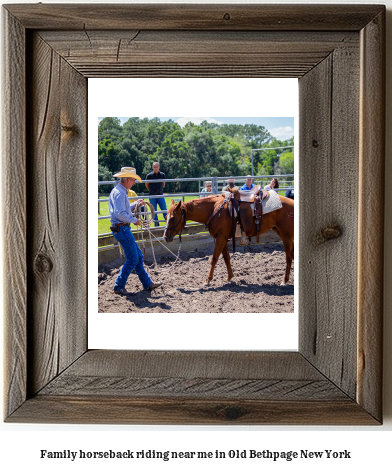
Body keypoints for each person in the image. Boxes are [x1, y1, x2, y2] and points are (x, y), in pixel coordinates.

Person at [109, 167, 162, 295]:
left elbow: (124, 209)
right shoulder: (121, 193)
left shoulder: (120, 191)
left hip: (121, 228)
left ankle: (147, 283)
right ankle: (118, 286)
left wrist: (136, 204)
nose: (134, 183)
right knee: (133, 258)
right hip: (122, 228)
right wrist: (135, 220)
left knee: (137, 256)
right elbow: (121, 214)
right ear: (127, 180)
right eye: (133, 180)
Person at [145, 162, 168, 227]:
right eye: (154, 167)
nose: (156, 168)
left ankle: (168, 222)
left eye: (157, 167)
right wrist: (151, 190)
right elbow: (146, 184)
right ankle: (156, 224)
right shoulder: (149, 175)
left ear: (159, 167)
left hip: (160, 195)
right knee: (153, 211)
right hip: (152, 196)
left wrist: (159, 190)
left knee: (164, 209)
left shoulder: (162, 175)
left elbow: (163, 184)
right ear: (152, 168)